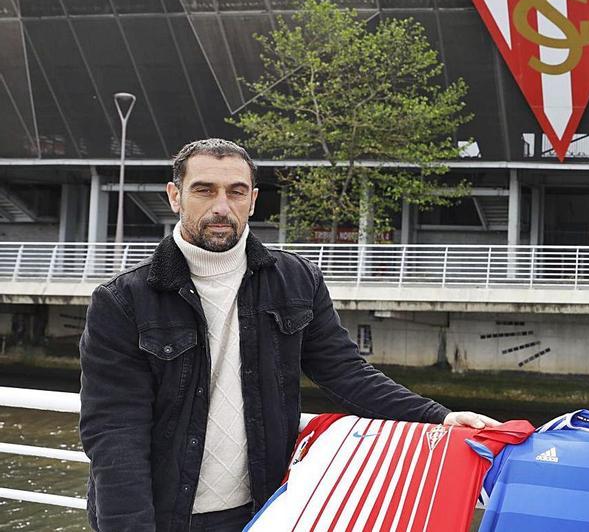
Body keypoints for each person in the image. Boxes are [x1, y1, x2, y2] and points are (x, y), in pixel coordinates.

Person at [78, 138, 498, 532]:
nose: (222, 206)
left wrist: (438, 416)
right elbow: (115, 435)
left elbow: (346, 375)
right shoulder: (122, 301)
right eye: (204, 190)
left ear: (253, 200)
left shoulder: (296, 280)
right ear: (175, 196)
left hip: (264, 510)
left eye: (236, 192)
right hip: (165, 514)